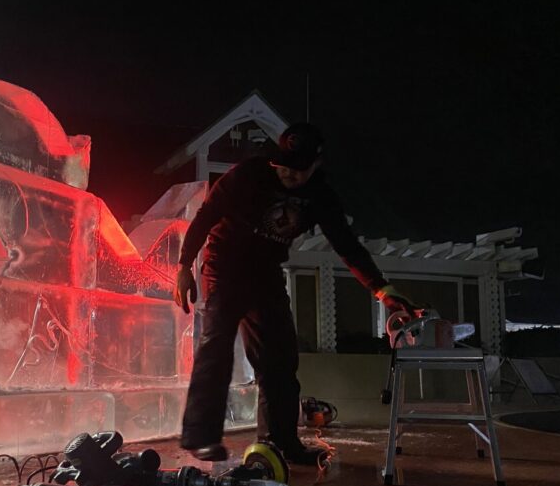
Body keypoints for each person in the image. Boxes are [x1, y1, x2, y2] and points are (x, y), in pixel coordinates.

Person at [172, 123, 416, 463]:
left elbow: (347, 245)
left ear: (315, 164)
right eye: (282, 166)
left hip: (265, 274)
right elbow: (205, 216)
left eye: (297, 170)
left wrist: (383, 290)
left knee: (280, 357)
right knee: (216, 345)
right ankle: (200, 436)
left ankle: (280, 442)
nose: (288, 174)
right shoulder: (247, 175)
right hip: (224, 267)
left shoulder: (320, 195)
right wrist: (184, 266)